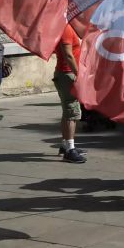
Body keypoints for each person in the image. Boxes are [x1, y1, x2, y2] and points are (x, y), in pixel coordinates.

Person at [53, 24, 86, 163]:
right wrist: (78, 74)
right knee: (72, 112)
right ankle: (69, 150)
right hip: (68, 74)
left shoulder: (66, 27)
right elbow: (68, 54)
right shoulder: (65, 28)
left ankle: (65, 145)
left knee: (67, 111)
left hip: (65, 73)